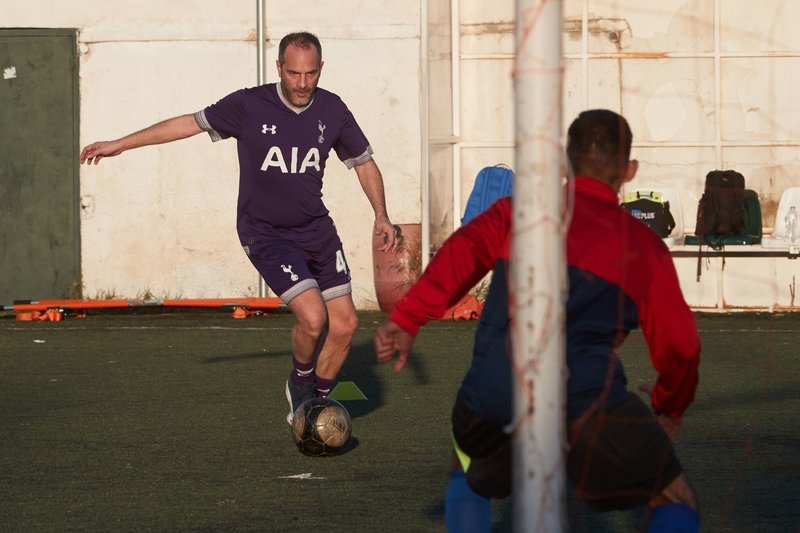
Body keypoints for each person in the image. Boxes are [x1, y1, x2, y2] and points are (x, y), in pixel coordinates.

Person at [374, 109, 701, 532]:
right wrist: (669, 405)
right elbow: (681, 346)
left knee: (466, 467)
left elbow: (460, 255)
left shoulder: (515, 213)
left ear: (565, 162)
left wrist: (407, 318)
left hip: (497, 391)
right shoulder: (642, 245)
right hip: (585, 399)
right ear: (629, 170)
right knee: (675, 496)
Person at [81, 31, 398, 424]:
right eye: (294, 73)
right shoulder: (249, 105)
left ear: (321, 70)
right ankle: (300, 383)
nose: (302, 83)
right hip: (265, 233)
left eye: (310, 74)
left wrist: (381, 215)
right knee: (314, 318)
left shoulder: (332, 109)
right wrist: (120, 144)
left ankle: (314, 405)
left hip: (316, 230)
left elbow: (363, 162)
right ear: (279, 67)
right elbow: (186, 124)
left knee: (346, 324)